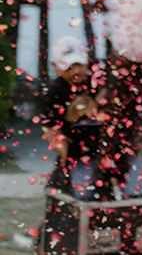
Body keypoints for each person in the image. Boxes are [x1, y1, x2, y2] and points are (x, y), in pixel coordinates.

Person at [39, 36, 104, 200]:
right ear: (56, 67)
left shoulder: (101, 80)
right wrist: (63, 154)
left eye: (78, 64)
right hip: (76, 155)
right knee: (78, 197)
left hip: (108, 151)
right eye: (68, 67)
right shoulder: (54, 92)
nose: (75, 71)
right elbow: (51, 129)